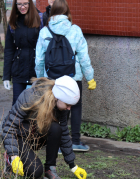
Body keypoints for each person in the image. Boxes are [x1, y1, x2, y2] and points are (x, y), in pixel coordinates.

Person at [35, 0, 97, 152]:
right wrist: (90, 78)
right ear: (67, 12)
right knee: (75, 107)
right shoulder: (75, 30)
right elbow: (83, 57)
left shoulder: (45, 32)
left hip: (52, 78)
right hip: (73, 77)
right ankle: (75, 141)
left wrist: (40, 79)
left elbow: (39, 59)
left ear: (52, 12)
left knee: (54, 110)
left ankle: (55, 143)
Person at [2, 76, 87, 179]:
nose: (69, 108)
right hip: (19, 136)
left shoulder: (61, 107)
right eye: (68, 105)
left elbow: (64, 134)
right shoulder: (30, 97)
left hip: (35, 134)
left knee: (57, 128)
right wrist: (14, 155)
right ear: (58, 97)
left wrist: (73, 166)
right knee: (35, 172)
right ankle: (9, 159)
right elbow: (9, 127)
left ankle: (50, 169)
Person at [3, 0, 43, 106]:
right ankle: (17, 124)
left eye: (25, 4)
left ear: (30, 3)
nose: (22, 7)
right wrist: (6, 76)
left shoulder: (40, 20)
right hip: (19, 71)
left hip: (36, 71)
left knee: (34, 107)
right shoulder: (13, 22)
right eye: (19, 4)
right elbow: (9, 50)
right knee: (17, 105)